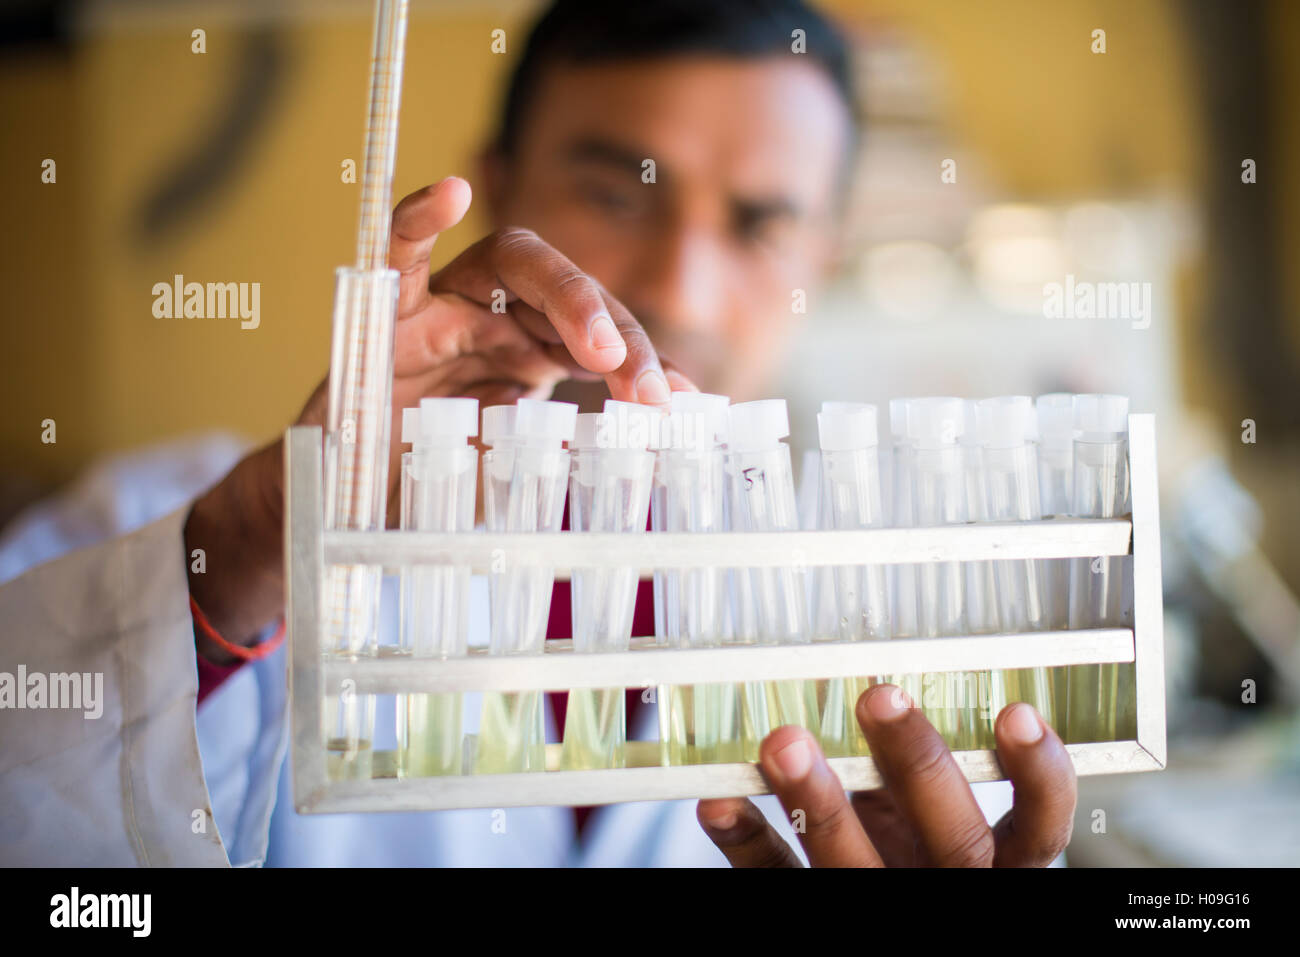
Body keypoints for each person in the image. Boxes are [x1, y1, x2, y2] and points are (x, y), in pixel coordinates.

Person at [0, 0, 1075, 867]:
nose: (677, 285)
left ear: (823, 257)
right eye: (617, 191)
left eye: (763, 225)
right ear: (495, 182)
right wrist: (251, 550)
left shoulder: (904, 633)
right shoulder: (181, 530)